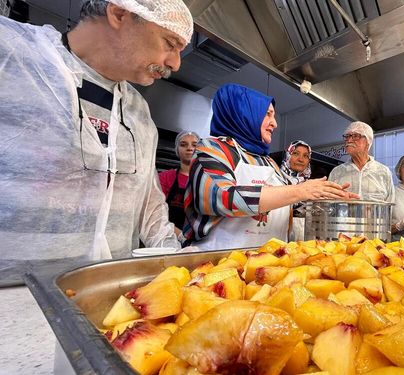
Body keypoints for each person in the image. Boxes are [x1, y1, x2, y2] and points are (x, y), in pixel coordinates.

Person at [0, 0, 192, 281]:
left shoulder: (138, 112)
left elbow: (149, 208)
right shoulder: (12, 53)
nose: (174, 63)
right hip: (11, 303)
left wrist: (175, 269)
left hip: (105, 297)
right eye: (169, 43)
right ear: (119, 13)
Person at [183, 83, 356, 250]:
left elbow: (287, 204)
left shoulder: (268, 162)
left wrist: (325, 200)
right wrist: (300, 190)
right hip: (217, 267)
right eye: (267, 114)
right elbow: (220, 197)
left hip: (269, 266)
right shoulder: (212, 149)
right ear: (245, 113)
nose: (275, 123)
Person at [328, 121, 395, 202]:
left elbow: (390, 205)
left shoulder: (384, 172)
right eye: (347, 136)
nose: (349, 140)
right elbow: (329, 204)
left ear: (368, 141)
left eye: (355, 136)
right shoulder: (336, 172)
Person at [159, 130, 200, 237]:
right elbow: (156, 212)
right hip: (167, 235)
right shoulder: (166, 177)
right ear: (177, 149)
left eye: (194, 145)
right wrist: (180, 236)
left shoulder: (206, 180)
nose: (190, 148)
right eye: (183, 144)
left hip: (198, 240)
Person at [280, 140, 313, 241]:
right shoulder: (276, 181)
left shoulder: (312, 186)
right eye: (295, 153)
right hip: (278, 235)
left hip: (305, 240)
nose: (301, 159)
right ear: (288, 156)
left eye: (305, 156)